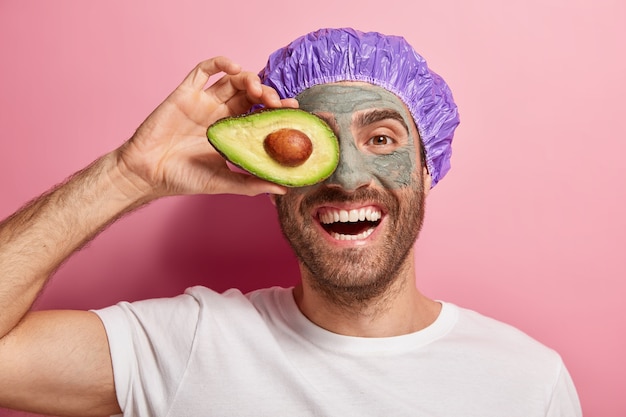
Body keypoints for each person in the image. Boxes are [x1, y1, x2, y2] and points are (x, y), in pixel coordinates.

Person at [0, 28, 581, 416]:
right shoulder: (191, 343)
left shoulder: (528, 383)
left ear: (428, 170)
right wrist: (130, 174)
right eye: (314, 143)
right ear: (270, 175)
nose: (349, 178)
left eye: (382, 139)